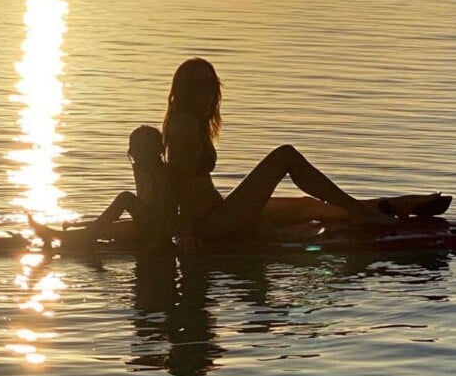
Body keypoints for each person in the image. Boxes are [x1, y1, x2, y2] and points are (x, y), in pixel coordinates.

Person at [163, 57, 449, 249]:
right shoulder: (185, 125)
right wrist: (184, 237)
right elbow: (177, 183)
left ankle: (392, 205)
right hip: (210, 225)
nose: (208, 91)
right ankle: (365, 211)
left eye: (211, 83)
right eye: (200, 85)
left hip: (219, 212)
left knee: (305, 205)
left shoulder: (193, 122)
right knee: (284, 155)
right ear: (185, 89)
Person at [29, 125, 175, 250]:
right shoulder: (142, 169)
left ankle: (77, 235)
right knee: (102, 227)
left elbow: (156, 212)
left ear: (152, 150)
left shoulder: (161, 173)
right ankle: (60, 234)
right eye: (133, 148)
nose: (133, 153)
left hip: (157, 231)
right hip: (147, 225)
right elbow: (143, 213)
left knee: (125, 197)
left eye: (138, 148)